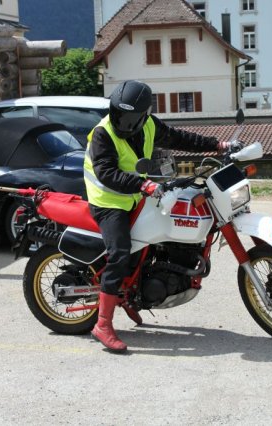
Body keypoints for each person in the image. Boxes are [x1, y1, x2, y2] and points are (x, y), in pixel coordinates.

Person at [83, 80, 239, 352]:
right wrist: (143, 184)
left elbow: (179, 138)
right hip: (108, 201)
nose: (122, 122)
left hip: (136, 194)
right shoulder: (102, 133)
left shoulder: (149, 125)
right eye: (118, 114)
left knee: (154, 240)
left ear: (144, 115)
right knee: (120, 252)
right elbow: (106, 172)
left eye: (130, 118)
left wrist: (218, 145)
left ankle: (132, 294)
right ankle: (103, 324)